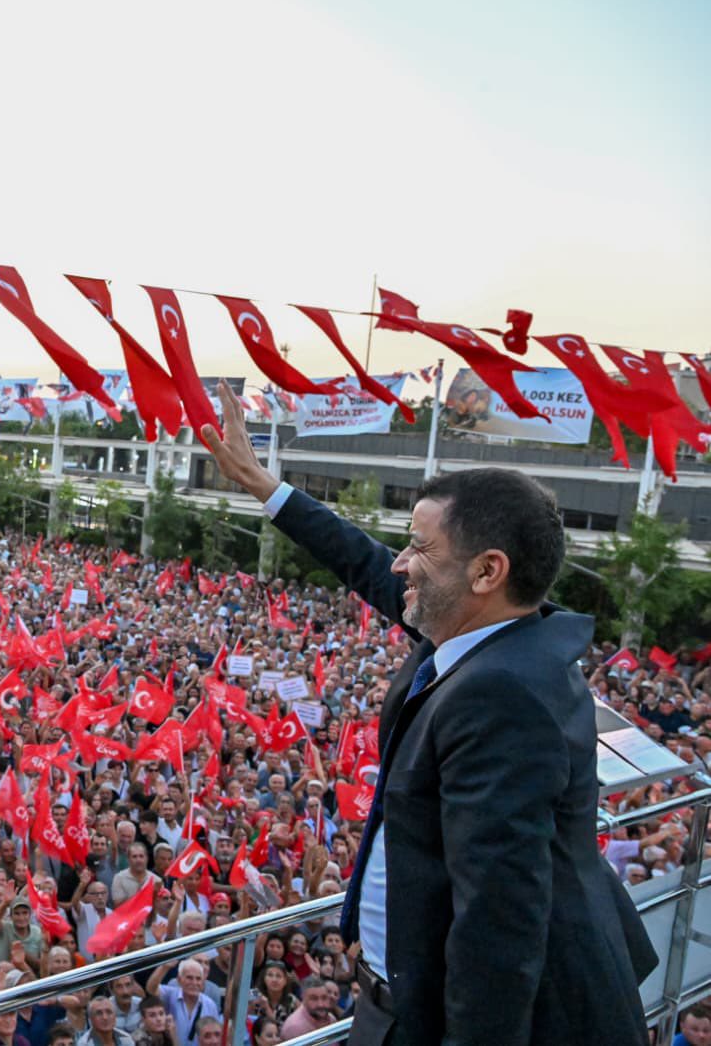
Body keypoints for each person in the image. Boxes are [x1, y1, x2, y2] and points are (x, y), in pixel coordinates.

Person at [201, 383, 657, 1045]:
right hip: (401, 994)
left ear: (485, 572)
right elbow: (362, 561)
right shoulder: (492, 636)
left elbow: (498, 919)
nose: (399, 563)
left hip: (446, 1016)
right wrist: (261, 483)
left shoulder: (500, 693)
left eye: (419, 548)